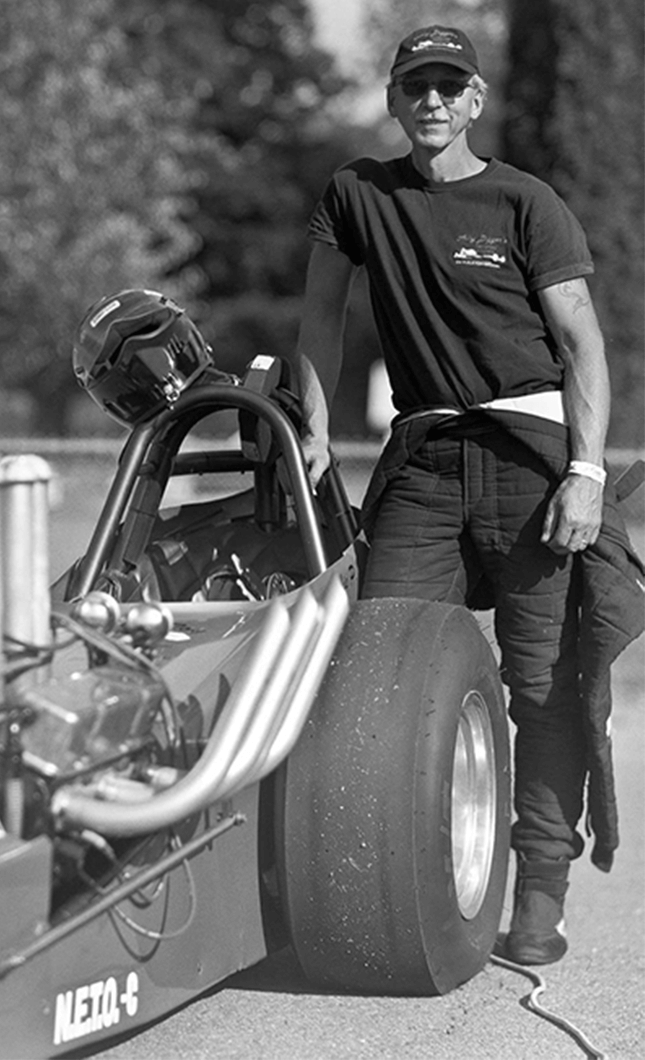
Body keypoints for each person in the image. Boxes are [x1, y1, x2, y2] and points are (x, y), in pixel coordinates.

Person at [293, 24, 645, 966]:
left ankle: (539, 890)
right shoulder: (357, 195)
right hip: (425, 463)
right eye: (417, 86)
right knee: (378, 672)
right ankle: (391, 874)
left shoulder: (526, 201)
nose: (434, 101)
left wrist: (586, 473)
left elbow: (583, 347)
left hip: (532, 461)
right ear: (396, 98)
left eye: (451, 85)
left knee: (543, 688)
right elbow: (321, 316)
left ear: (476, 99)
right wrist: (315, 431)